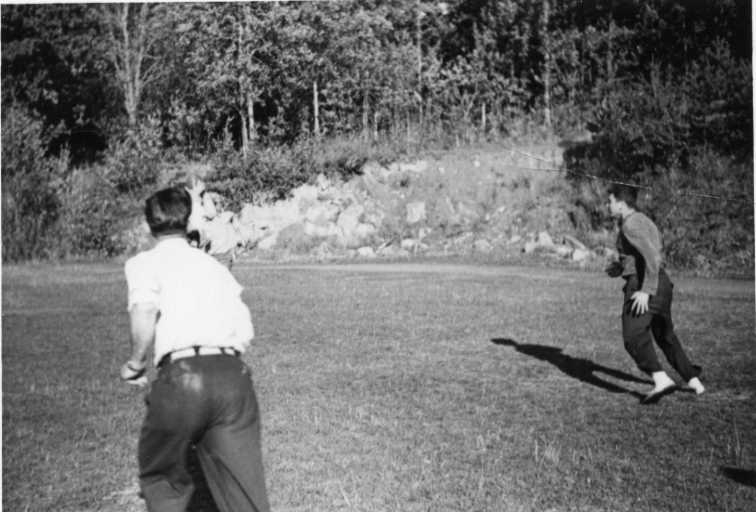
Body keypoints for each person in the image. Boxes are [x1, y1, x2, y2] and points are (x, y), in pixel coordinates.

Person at [119, 186, 270, 512]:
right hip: (233, 376)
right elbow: (244, 327)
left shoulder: (144, 262)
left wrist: (135, 363)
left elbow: (144, 310)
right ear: (188, 222)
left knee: (161, 477)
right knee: (244, 491)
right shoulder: (214, 266)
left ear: (148, 225)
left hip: (183, 375)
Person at [605, 183, 705, 404]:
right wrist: (620, 267)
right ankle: (694, 380)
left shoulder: (630, 224)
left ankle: (661, 380)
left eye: (610, 201)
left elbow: (651, 256)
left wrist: (645, 291)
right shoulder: (644, 220)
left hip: (644, 284)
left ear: (621, 204)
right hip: (662, 284)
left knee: (633, 336)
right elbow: (648, 253)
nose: (607, 205)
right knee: (665, 335)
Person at [186, 178, 240, 269]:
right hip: (200, 243)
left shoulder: (201, 201)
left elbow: (212, 213)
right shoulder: (193, 205)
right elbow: (212, 213)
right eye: (200, 184)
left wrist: (204, 195)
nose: (203, 185)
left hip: (210, 246)